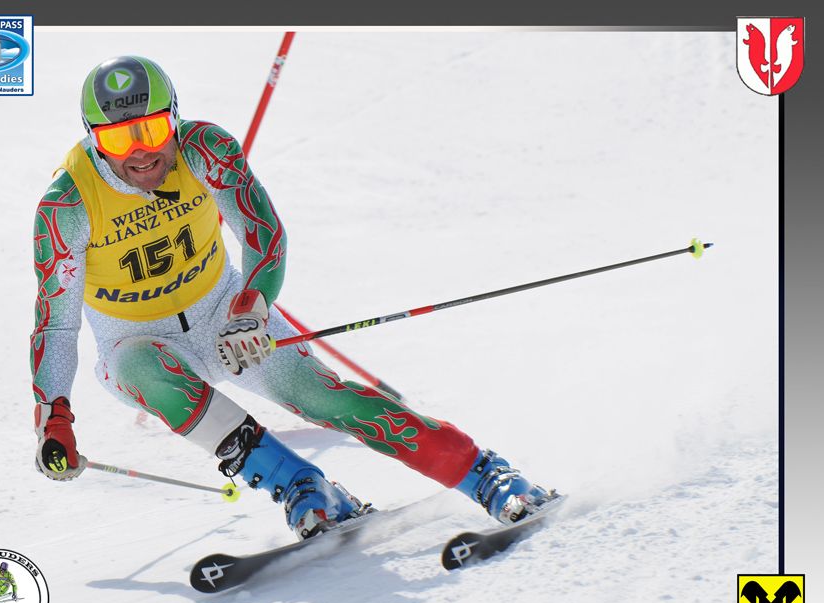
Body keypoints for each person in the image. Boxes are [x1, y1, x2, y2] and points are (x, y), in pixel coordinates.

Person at [31, 56, 556, 540]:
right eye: (117, 139)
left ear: (174, 118)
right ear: (93, 139)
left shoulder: (204, 149)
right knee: (139, 368)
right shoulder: (68, 206)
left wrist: (252, 307)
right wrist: (55, 418)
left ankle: (484, 473)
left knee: (324, 399)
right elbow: (56, 324)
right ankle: (304, 486)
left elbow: (262, 234)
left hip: (224, 314)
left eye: (151, 131)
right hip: (136, 340)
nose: (140, 152)